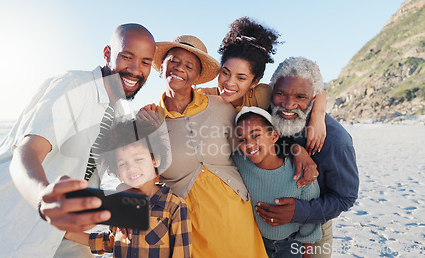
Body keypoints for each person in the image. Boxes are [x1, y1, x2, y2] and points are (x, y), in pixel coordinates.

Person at [0, 23, 156, 257]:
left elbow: (102, 173)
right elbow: (26, 152)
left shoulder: (118, 113)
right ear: (108, 54)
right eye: (127, 56)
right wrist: (42, 198)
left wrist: (122, 208)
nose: (135, 69)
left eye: (145, 62)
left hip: (57, 227)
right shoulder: (74, 86)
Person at [147, 35, 268, 257]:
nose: (179, 68)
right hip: (187, 225)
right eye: (173, 61)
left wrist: (300, 156)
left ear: (197, 76)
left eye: (189, 65)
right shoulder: (150, 121)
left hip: (236, 216)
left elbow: (253, 150)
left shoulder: (223, 107)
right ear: (161, 66)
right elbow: (140, 179)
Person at [255, 57, 359, 258]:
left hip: (314, 228)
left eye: (300, 97)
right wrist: (295, 148)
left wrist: (299, 212)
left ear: (313, 99)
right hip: (263, 230)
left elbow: (345, 197)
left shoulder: (336, 141)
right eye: (280, 94)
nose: (288, 104)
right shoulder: (263, 118)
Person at [199, 17, 327, 156]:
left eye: (241, 78)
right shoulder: (204, 97)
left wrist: (318, 116)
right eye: (225, 73)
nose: (229, 83)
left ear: (254, 82)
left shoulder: (262, 95)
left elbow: (313, 89)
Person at [64, 118, 192, 257]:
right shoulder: (119, 204)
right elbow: (110, 242)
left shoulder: (174, 206)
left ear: (155, 160)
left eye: (138, 159)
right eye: (123, 164)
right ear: (117, 173)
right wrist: (67, 233)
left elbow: (181, 254)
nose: (131, 168)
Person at [233, 106, 321, 257]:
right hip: (255, 242)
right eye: (242, 139)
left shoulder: (301, 171)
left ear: (274, 136)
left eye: (255, 135)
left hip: (291, 244)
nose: (249, 144)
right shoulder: (238, 162)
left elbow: (310, 223)